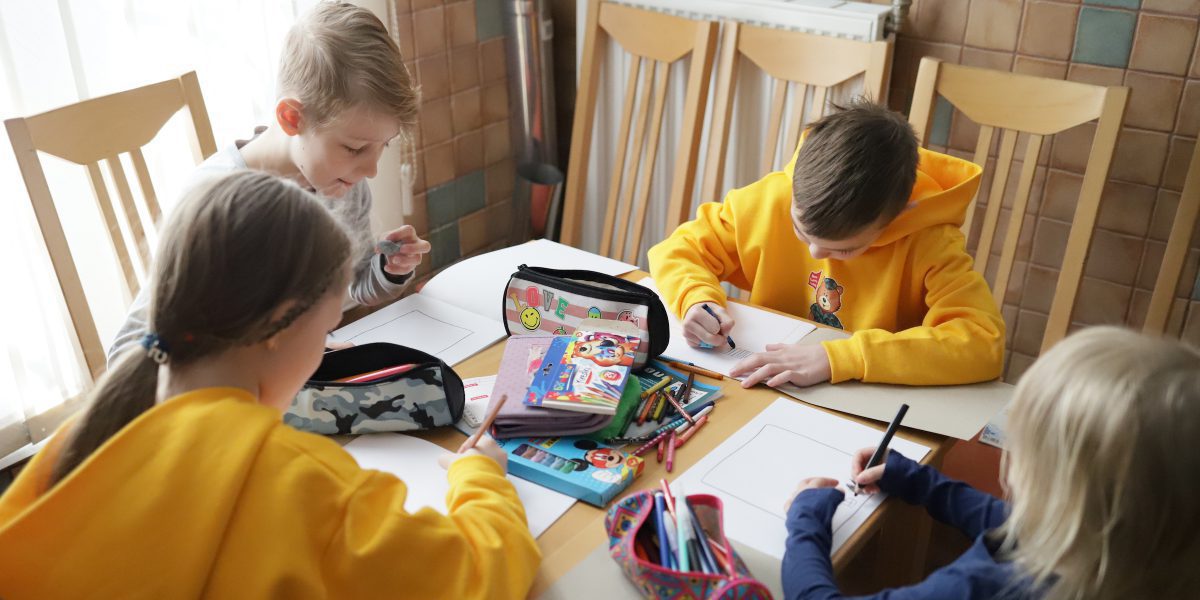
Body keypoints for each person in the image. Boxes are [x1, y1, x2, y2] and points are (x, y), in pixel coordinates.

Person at [0, 171, 541, 598]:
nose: (329, 350)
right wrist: (483, 478)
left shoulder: (77, 443)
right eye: (328, 331)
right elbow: (479, 576)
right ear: (279, 325)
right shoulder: (303, 482)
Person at [108, 0, 429, 362]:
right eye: (355, 148)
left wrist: (386, 271)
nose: (371, 169)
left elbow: (350, 286)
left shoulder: (340, 185)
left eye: (383, 146)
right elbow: (129, 350)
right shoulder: (217, 204)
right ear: (292, 118)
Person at [783, 326, 1200, 599]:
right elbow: (1016, 525)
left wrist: (806, 519)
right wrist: (923, 483)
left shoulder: (981, 587)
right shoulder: (1137, 556)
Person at [648, 99, 1004, 387]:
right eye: (800, 230)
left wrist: (840, 357)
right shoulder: (772, 198)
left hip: (861, 400)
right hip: (762, 384)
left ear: (897, 218)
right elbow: (678, 251)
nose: (816, 254)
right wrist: (696, 300)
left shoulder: (930, 240)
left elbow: (982, 343)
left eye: (845, 249)